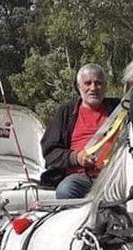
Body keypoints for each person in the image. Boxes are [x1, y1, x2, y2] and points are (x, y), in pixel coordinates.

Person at [41, 64, 120, 199]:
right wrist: (76, 157)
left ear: (105, 86)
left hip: (116, 176)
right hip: (81, 179)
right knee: (65, 190)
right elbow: (50, 151)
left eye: (98, 83)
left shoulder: (120, 109)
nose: (93, 88)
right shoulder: (65, 112)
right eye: (87, 83)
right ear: (79, 87)